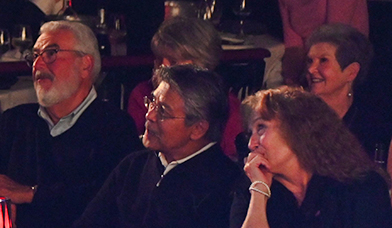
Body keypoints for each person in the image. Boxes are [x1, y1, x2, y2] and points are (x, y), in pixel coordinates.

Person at [0, 20, 140, 228]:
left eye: (51, 53)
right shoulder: (15, 122)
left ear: (85, 65)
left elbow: (104, 204)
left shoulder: (116, 128)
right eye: (35, 56)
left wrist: (30, 194)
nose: (38, 65)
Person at [76, 65, 239, 228]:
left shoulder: (226, 185)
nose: (149, 115)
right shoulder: (134, 165)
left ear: (198, 129)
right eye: (152, 102)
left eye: (162, 111)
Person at [235, 86, 392, 227]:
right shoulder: (252, 187)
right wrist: (259, 192)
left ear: (297, 128)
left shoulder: (362, 187)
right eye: (250, 133)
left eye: (261, 127)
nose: (251, 144)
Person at [125, 15, 245, 157]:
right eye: (158, 60)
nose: (162, 67)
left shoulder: (228, 108)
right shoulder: (142, 94)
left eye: (173, 61)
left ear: (201, 66)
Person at [303, 23, 390, 171]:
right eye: (310, 61)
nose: (311, 69)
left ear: (351, 72)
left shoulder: (375, 125)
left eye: (323, 60)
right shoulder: (296, 117)